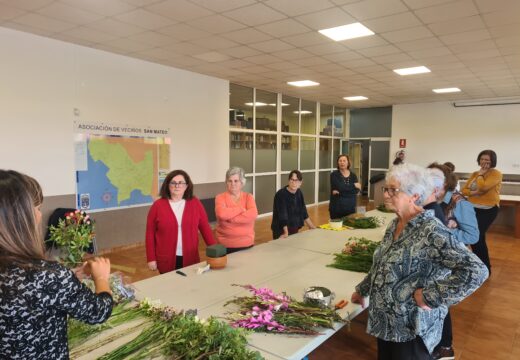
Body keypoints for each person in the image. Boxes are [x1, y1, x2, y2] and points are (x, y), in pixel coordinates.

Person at [351, 164, 488, 360]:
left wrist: (430, 296)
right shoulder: (395, 224)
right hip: (386, 324)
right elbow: (381, 264)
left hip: (411, 330)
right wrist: (362, 289)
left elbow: (476, 271)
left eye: (393, 190)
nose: (386, 195)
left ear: (414, 195)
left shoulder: (431, 230)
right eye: (386, 189)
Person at [0, 170, 113, 359]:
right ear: (20, 217)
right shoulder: (47, 276)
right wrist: (101, 278)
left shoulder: (47, 276)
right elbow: (97, 312)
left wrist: (64, 281)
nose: (39, 214)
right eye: (36, 208)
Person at [428, 163, 480, 360]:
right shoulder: (433, 200)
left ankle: (445, 347)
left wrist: (445, 231)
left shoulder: (460, 203)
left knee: (441, 302)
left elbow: (473, 236)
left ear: (445, 183)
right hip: (435, 257)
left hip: (451, 259)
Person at [146, 169, 216, 273]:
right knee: (169, 287)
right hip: (166, 259)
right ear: (167, 185)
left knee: (189, 286)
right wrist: (151, 258)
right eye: (173, 183)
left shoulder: (195, 203)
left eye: (181, 183)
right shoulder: (157, 206)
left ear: (186, 186)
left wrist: (215, 250)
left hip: (190, 257)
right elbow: (150, 233)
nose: (177, 186)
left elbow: (205, 228)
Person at [461, 149, 502, 274]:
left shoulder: (496, 174)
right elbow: (464, 191)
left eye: (487, 160)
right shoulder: (474, 173)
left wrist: (481, 174)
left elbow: (484, 187)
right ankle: (483, 267)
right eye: (482, 159)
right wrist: (476, 192)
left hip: (489, 210)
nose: (484, 162)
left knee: (475, 237)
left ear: (492, 161)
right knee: (479, 238)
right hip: (472, 209)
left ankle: (484, 268)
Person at [215, 167, 258, 254]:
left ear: (242, 183)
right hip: (225, 245)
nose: (232, 184)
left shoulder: (248, 197)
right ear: (226, 183)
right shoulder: (220, 197)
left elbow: (253, 214)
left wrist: (229, 219)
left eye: (236, 181)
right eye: (229, 181)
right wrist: (241, 209)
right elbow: (222, 214)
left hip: (247, 243)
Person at [271, 170, 316, 239]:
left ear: (301, 182)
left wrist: (311, 226)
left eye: (297, 180)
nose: (294, 183)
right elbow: (283, 215)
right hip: (281, 229)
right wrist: (286, 232)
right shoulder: (281, 194)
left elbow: (303, 211)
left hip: (293, 227)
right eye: (292, 180)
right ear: (288, 180)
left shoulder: (299, 192)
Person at [329, 154, 361, 219]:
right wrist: (353, 185)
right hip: (337, 208)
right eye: (340, 161)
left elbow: (356, 190)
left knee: (350, 226)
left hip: (350, 207)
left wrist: (340, 192)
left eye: (344, 161)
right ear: (338, 163)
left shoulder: (353, 175)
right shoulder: (334, 175)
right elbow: (340, 187)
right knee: (336, 227)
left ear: (348, 162)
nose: (342, 162)